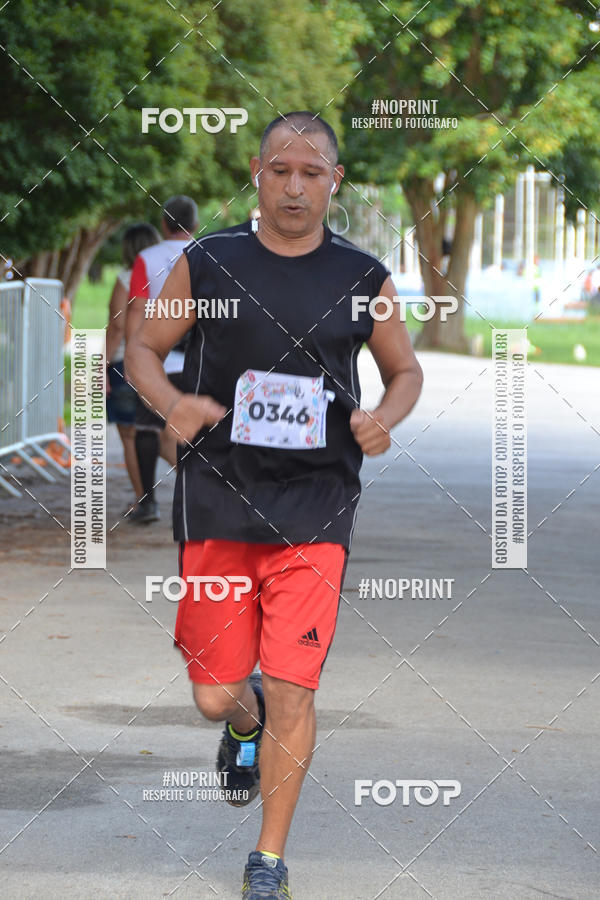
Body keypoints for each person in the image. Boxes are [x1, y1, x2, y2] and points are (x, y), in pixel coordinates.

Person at [126, 111, 423, 899]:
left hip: (318, 503)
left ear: (335, 182)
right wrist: (171, 406)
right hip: (218, 500)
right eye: (281, 171)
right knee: (213, 693)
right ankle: (242, 718)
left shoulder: (362, 277)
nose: (296, 187)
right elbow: (144, 350)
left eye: (312, 173)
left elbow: (404, 371)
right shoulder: (209, 260)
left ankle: (269, 861)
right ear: (258, 174)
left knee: (297, 685)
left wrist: (380, 419)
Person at [125, 195, 199, 524]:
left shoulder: (147, 258)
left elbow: (138, 310)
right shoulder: (210, 251)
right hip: (200, 359)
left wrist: (133, 356)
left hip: (159, 361)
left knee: (146, 428)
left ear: (163, 224)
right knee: (203, 431)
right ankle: (204, 499)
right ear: (195, 224)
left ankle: (147, 503)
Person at [106, 223, 161, 508]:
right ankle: (210, 489)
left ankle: (144, 501)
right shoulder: (168, 275)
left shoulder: (126, 279)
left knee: (130, 434)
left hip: (126, 363)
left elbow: (117, 326)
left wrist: (102, 365)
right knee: (162, 431)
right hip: (161, 360)